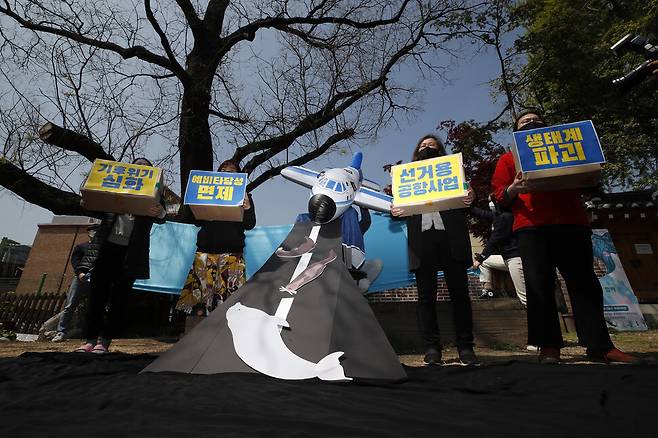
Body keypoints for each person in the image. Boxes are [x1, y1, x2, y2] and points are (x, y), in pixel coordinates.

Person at [491, 109, 638, 364]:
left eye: (536, 120)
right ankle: (548, 346)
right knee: (539, 287)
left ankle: (600, 346)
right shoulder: (507, 159)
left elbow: (591, 184)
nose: (531, 123)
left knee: (585, 284)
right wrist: (515, 187)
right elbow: (500, 197)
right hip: (531, 226)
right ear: (516, 131)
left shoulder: (566, 151)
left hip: (572, 223)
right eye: (524, 122)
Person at [390, 135, 477, 366]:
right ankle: (431, 347)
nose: (426, 148)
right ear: (416, 152)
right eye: (423, 145)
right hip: (422, 240)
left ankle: (466, 347)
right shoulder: (406, 178)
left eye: (432, 146)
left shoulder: (454, 172)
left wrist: (470, 196)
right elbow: (397, 206)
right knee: (425, 297)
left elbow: (467, 199)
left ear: (441, 151)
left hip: (451, 238)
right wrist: (395, 210)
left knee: (460, 295)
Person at [75, 157, 167, 353]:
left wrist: (158, 211)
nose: (140, 169)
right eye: (137, 167)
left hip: (131, 254)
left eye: (145, 168)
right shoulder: (114, 188)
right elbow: (93, 203)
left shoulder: (155, 195)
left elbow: (162, 216)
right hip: (106, 249)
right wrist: (87, 200)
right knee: (97, 295)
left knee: (119, 299)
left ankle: (104, 341)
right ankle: (89, 340)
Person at [175, 159, 256, 315]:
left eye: (231, 171)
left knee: (230, 303)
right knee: (198, 301)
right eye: (223, 171)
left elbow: (250, 224)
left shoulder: (244, 196)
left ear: (239, 176)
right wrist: (192, 199)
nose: (226, 173)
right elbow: (193, 220)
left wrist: (248, 207)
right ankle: (194, 335)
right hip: (205, 253)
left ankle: (226, 336)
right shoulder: (206, 192)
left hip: (232, 255)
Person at [296, 205, 382, 292]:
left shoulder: (352, 233)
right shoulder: (327, 231)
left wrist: (363, 205)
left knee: (376, 264)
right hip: (330, 267)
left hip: (352, 269)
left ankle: (351, 286)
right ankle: (343, 286)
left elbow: (366, 221)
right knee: (364, 284)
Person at [470, 197, 527, 306]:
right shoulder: (497, 215)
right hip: (507, 258)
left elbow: (494, 240)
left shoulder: (506, 217)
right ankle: (488, 289)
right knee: (486, 263)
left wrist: (480, 259)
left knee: (524, 297)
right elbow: (481, 213)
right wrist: (468, 204)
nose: (490, 203)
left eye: (492, 201)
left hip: (516, 258)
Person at [52, 225, 97, 342]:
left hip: (96, 279)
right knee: (70, 304)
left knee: (95, 306)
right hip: (81, 278)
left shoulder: (102, 248)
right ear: (89, 233)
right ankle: (61, 332)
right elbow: (75, 262)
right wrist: (80, 273)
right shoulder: (81, 247)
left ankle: (91, 334)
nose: (96, 233)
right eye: (93, 231)